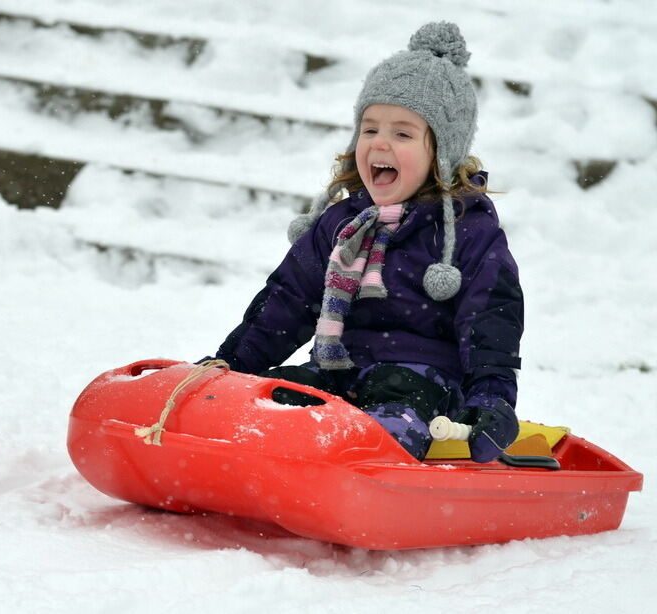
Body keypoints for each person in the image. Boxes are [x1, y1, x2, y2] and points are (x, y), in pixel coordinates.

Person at [209, 22, 523, 462]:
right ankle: (255, 460)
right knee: (280, 393)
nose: (379, 143)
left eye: (402, 133)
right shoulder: (342, 224)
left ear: (443, 154)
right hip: (337, 368)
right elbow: (287, 302)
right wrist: (231, 365)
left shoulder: (471, 235)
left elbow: (491, 327)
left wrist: (491, 402)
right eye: (370, 128)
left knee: (397, 406)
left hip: (424, 384)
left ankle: (366, 468)